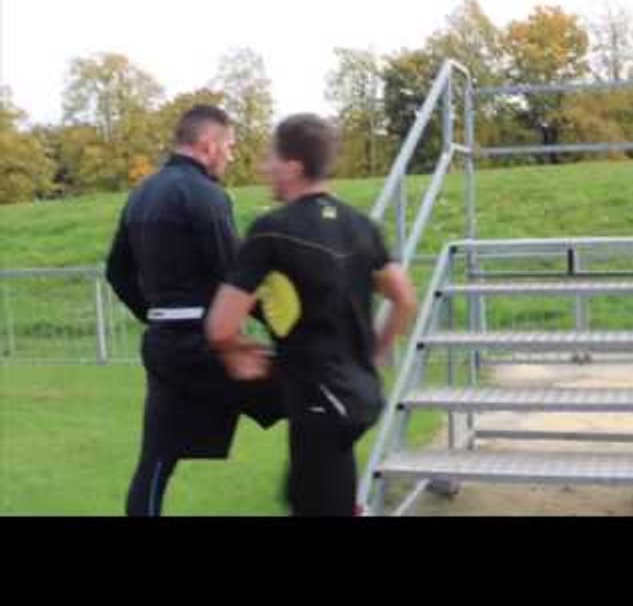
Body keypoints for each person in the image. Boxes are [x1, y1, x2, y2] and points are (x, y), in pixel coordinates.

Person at [206, 113, 417, 517]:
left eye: (271, 157)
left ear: (294, 166)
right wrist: (376, 351)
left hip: (319, 401)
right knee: (325, 494)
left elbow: (219, 326)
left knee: (315, 501)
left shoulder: (272, 231)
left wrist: (237, 351)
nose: (265, 166)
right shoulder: (362, 227)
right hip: (360, 395)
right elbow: (404, 298)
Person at [106, 105, 285, 517]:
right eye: (231, 146)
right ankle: (337, 502)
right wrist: (288, 331)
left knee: (155, 461)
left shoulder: (140, 194)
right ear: (208, 145)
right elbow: (235, 277)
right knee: (311, 396)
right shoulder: (208, 196)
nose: (232, 156)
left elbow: (116, 272)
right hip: (207, 348)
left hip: (164, 346)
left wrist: (155, 315)